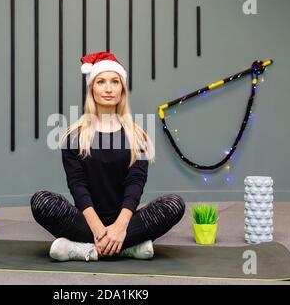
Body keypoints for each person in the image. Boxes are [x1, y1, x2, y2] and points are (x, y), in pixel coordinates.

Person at [31, 51, 185, 262]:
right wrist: (97, 228)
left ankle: (83, 249)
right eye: (101, 82)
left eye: (115, 82)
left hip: (126, 220)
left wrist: (120, 227)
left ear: (122, 89)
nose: (109, 88)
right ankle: (127, 248)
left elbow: (135, 183)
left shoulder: (137, 134)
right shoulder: (73, 135)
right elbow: (78, 185)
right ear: (92, 88)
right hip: (86, 221)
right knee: (41, 201)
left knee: (173, 204)